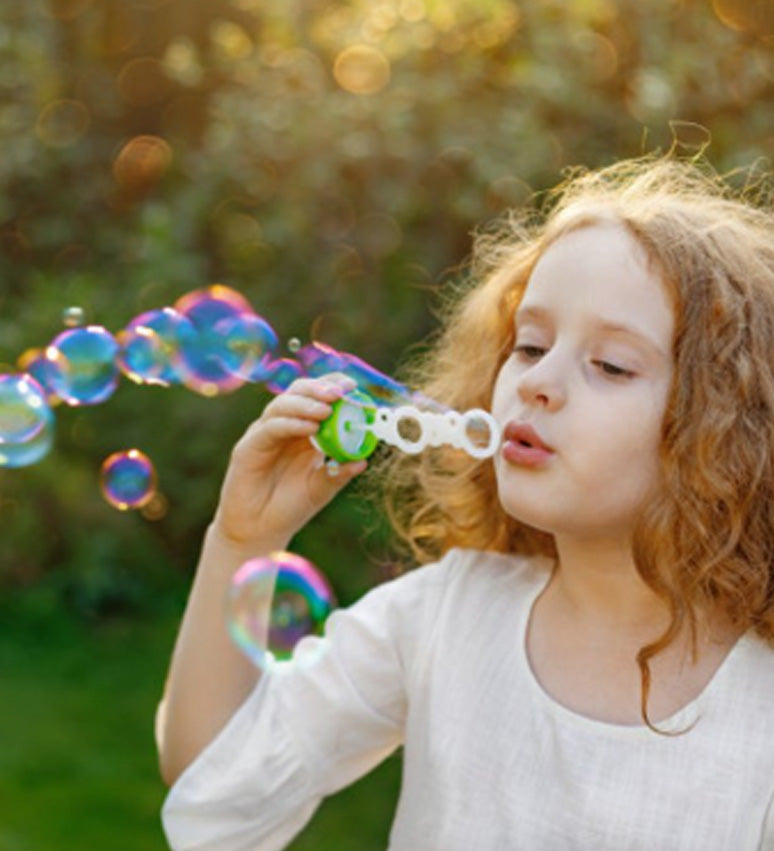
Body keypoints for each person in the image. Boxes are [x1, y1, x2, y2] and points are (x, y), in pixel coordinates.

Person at [156, 154, 774, 849]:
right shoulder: (444, 617)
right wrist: (243, 540)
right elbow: (215, 778)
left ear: (727, 431)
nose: (537, 381)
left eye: (610, 364)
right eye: (530, 345)